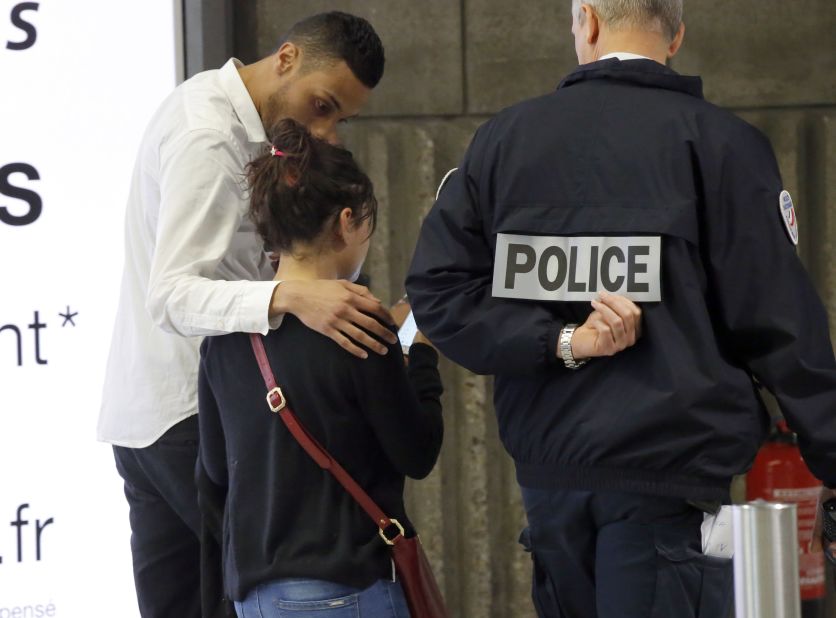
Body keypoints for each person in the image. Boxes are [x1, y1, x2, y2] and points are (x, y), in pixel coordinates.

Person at [405, 0, 836, 616]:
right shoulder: (722, 145)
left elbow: (436, 290)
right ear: (677, 35)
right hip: (671, 490)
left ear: (588, 22)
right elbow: (782, 327)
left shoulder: (504, 141)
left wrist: (556, 340)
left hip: (550, 487)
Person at [98, 13, 393, 618]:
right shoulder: (208, 135)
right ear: (285, 58)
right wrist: (289, 296)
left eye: (340, 118)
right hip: (192, 421)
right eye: (322, 104)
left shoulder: (245, 128)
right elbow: (173, 294)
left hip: (161, 418)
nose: (327, 130)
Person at [197, 118, 443, 617]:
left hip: (255, 595)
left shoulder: (224, 335)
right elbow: (416, 452)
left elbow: (216, 473)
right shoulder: (360, 327)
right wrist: (420, 353)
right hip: (344, 587)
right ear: (347, 220)